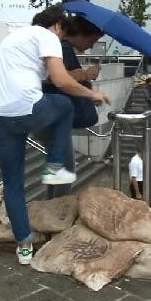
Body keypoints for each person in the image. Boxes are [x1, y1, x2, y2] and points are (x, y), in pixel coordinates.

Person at [0, 5, 110, 265]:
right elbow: (60, 81)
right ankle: (56, 165)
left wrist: (80, 76)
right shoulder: (48, 36)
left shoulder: (15, 37)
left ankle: (24, 245)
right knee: (64, 106)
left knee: (13, 182)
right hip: (25, 109)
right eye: (63, 32)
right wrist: (92, 93)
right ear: (58, 25)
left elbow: (49, 77)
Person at [41, 15, 104, 199]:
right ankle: (56, 212)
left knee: (55, 165)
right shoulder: (64, 48)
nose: (92, 45)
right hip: (56, 116)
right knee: (66, 170)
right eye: (94, 39)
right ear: (85, 34)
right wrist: (86, 74)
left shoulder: (61, 47)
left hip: (49, 114)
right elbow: (57, 78)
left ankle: (49, 206)